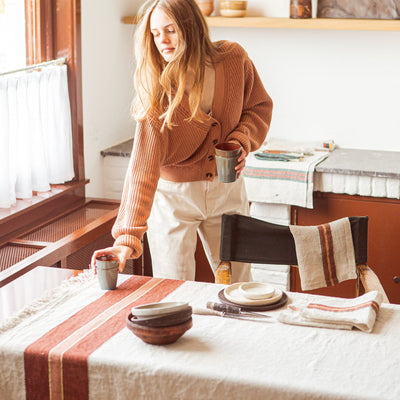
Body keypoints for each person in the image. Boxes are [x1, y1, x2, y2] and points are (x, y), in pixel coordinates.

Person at [91, 0, 273, 282]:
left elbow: (258, 107)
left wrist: (240, 140)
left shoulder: (233, 59)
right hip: (173, 199)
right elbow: (143, 168)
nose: (162, 40)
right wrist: (126, 238)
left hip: (228, 192)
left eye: (170, 30)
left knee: (240, 286)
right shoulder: (158, 92)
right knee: (174, 286)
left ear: (192, 28)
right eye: (155, 33)